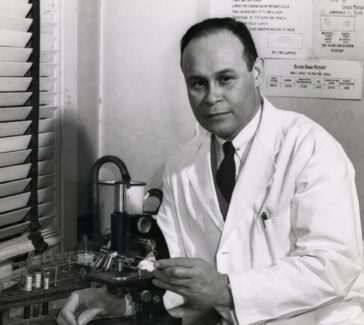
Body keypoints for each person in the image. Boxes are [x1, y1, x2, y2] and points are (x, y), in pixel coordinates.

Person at [57, 18, 364, 325]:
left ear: (256, 73)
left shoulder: (311, 148)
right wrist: (119, 300)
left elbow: (334, 266)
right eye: (198, 83)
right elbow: (172, 268)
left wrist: (227, 288)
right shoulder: (180, 166)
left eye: (226, 79)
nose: (211, 97)